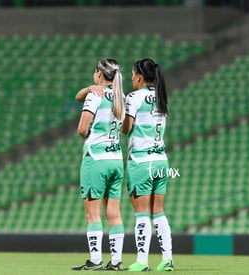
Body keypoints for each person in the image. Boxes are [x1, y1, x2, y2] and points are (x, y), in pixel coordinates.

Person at [71, 58, 126, 271]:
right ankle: (116, 260)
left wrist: (90, 135)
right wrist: (89, 88)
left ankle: (95, 260)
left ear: (99, 73)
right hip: (116, 160)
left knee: (92, 214)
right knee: (114, 213)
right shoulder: (121, 95)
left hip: (96, 159)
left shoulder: (95, 96)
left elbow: (81, 129)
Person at [121, 58, 174, 272]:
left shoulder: (134, 97)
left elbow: (127, 128)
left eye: (133, 75)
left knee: (141, 214)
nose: (132, 78)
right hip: (161, 160)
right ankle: (167, 260)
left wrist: (121, 118)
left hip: (141, 161)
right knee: (158, 212)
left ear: (140, 77)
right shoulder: (161, 97)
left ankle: (142, 262)